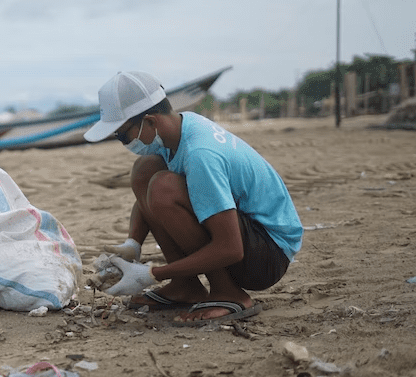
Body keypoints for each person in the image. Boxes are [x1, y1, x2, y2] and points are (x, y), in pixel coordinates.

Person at [83, 71, 302, 325]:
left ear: (150, 122)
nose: (124, 142)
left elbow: (231, 248)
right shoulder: (179, 130)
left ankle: (229, 293)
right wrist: (133, 243)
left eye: (123, 135)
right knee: (146, 169)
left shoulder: (200, 153)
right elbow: (146, 199)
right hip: (249, 238)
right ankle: (184, 285)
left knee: (163, 187)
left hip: (269, 254)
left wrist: (152, 274)